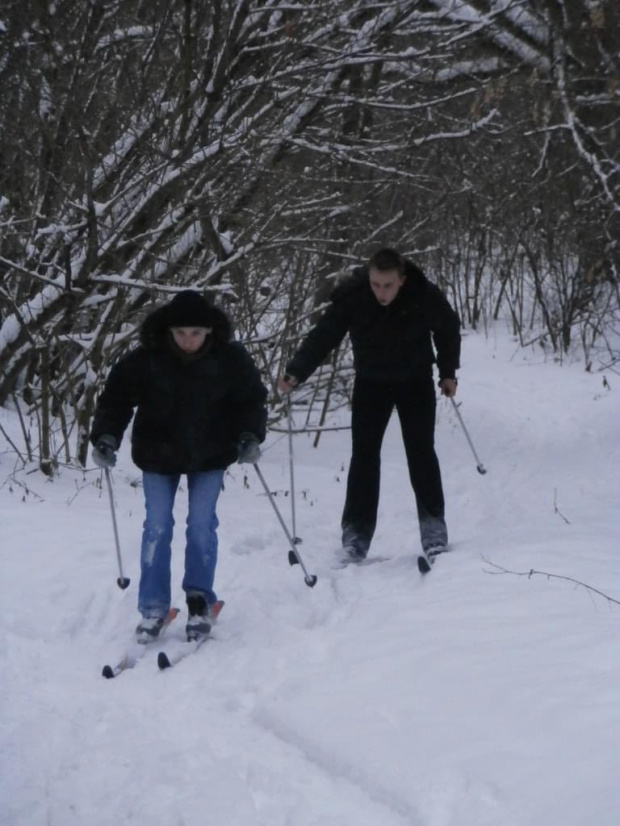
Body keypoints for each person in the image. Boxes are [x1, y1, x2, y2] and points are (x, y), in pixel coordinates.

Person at [90, 290, 267, 642]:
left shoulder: (229, 358)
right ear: (169, 331)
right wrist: (106, 436)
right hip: (159, 453)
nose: (189, 341)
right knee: (157, 526)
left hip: (211, 452)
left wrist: (249, 435)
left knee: (201, 525)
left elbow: (251, 399)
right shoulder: (147, 359)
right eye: (182, 333)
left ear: (209, 332)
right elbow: (116, 399)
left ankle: (199, 600)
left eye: (196, 333)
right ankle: (153, 608)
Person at [278, 247, 461, 565]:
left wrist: (447, 372)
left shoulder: (423, 293)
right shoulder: (354, 295)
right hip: (371, 383)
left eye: (388, 285)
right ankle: (356, 537)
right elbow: (324, 335)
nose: (381, 292)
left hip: (415, 381)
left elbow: (447, 329)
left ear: (401, 280)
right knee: (364, 457)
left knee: (421, 453)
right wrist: (297, 371)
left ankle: (434, 532)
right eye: (376, 284)